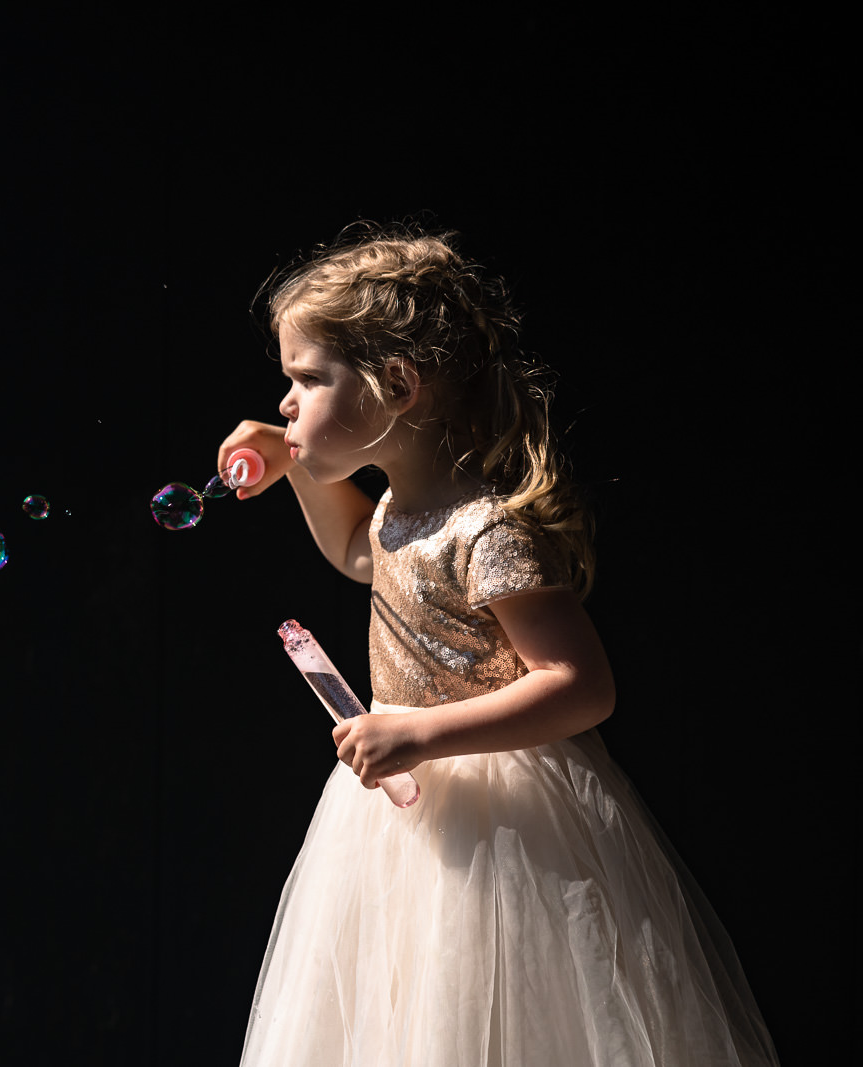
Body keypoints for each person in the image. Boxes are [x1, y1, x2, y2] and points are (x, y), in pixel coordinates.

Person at [217, 225, 779, 1066]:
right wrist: (293, 462)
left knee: (497, 1017)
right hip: (403, 822)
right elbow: (356, 555)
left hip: (503, 828)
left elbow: (581, 685)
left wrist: (423, 731)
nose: (287, 400)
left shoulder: (487, 533)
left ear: (397, 385)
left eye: (306, 378)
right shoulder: (396, 512)